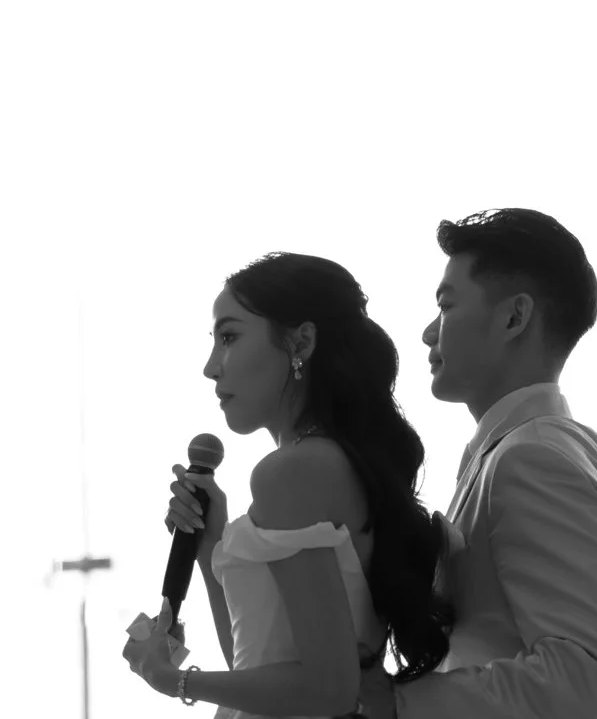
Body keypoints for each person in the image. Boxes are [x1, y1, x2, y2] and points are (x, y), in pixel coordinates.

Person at [122, 252, 451, 718]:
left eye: (229, 337)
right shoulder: (332, 461)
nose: (211, 367)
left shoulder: (294, 471)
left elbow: (328, 690)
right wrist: (210, 543)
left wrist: (171, 678)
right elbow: (256, 659)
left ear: (301, 342)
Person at [359, 209, 597, 719]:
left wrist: (399, 702)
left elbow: (589, 670)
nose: (428, 332)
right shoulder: (565, 452)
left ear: (514, 318)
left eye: (446, 305)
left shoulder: (532, 460)